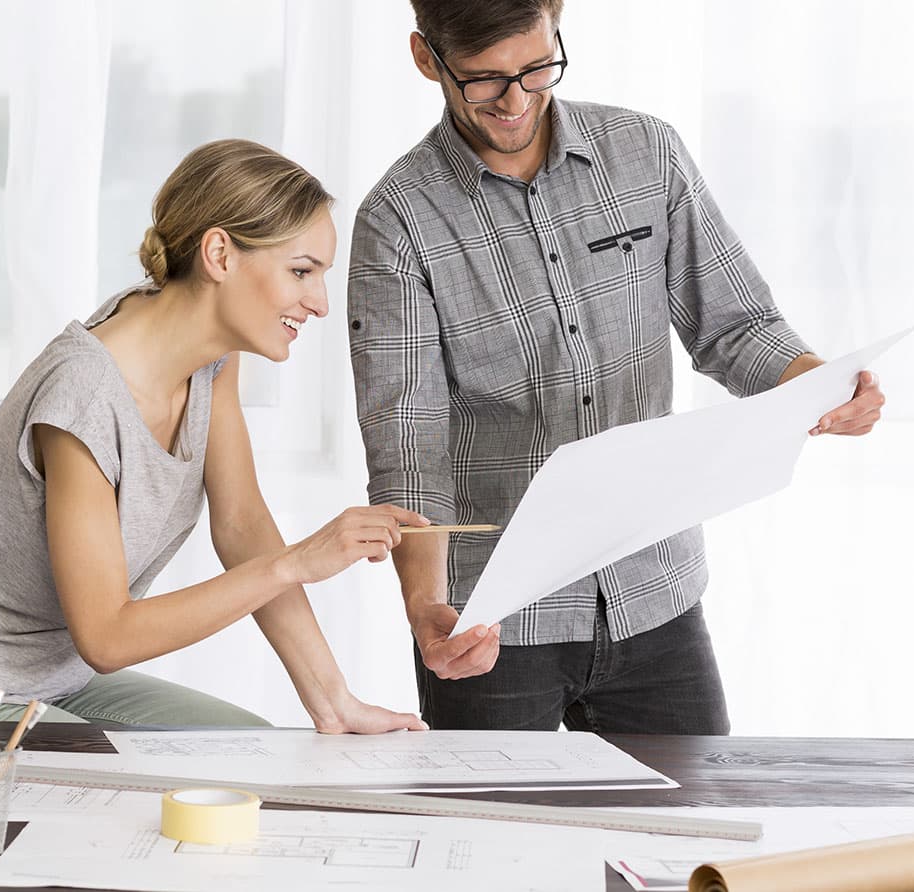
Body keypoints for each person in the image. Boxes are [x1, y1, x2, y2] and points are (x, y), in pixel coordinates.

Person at [347, 0, 885, 734]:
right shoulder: (398, 218)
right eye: (483, 80)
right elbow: (410, 444)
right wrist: (424, 606)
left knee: (689, 831)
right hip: (496, 621)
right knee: (500, 846)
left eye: (537, 67)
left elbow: (734, 325)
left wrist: (819, 388)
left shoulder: (645, 152)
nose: (516, 101)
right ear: (424, 58)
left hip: (653, 589)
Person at [0, 139, 430, 730]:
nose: (318, 303)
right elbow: (107, 637)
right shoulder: (85, 396)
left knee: (254, 749)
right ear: (220, 254)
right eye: (301, 271)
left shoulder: (209, 355)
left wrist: (333, 703)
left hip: (59, 682)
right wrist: (297, 563)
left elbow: (241, 525)